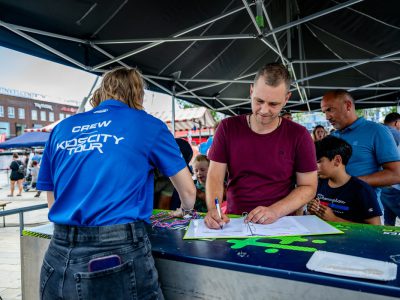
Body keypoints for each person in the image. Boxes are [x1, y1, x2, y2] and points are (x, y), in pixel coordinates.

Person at [36, 67, 196, 300]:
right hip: (116, 252)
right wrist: (185, 211)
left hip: (57, 253)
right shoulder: (147, 125)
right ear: (137, 93)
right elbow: (189, 191)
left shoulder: (62, 128)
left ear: (102, 91)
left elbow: (51, 198)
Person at [205, 63, 318, 229]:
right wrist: (213, 210)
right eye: (259, 101)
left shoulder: (299, 135)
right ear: (251, 91)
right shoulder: (227, 127)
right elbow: (215, 176)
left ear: (286, 98)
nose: (264, 110)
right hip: (235, 222)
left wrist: (275, 211)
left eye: (273, 104)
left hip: (281, 223)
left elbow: (308, 186)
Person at [321, 90, 400, 190]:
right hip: (333, 202)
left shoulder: (376, 131)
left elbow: (396, 174)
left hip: (364, 203)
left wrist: (350, 183)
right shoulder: (332, 136)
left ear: (348, 106)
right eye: (324, 112)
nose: (327, 117)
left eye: (330, 110)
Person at [307, 136, 381, 224]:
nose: (314, 166)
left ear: (337, 160)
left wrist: (334, 219)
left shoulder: (362, 190)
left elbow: (375, 228)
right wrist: (312, 209)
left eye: (319, 161)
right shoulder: (319, 183)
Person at [380, 112, 400, 225]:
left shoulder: (377, 132)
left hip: (382, 185)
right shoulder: (396, 134)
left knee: (388, 224)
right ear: (396, 122)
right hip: (395, 186)